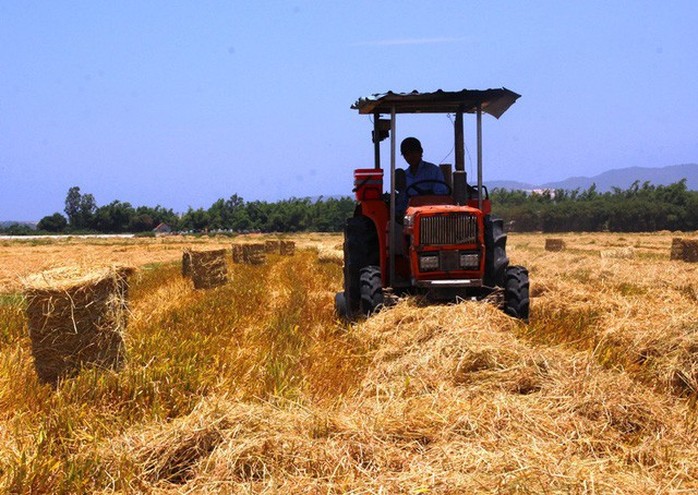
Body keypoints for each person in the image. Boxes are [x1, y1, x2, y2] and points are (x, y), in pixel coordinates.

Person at [397, 137, 448, 214]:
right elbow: (402, 201)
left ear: (420, 152)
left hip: (431, 214)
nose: (411, 156)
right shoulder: (404, 176)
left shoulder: (433, 170)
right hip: (410, 216)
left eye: (413, 152)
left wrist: (426, 197)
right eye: (407, 154)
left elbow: (441, 195)